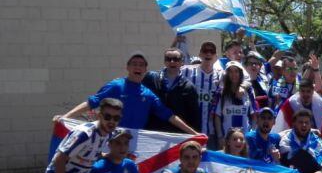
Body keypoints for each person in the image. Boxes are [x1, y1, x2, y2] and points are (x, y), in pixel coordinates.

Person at [57, 54, 197, 134]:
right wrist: (65, 117)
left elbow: (170, 116)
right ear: (128, 67)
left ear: (145, 70)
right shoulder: (116, 86)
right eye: (134, 64)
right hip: (111, 140)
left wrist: (194, 133)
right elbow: (91, 103)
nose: (138, 67)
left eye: (141, 65)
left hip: (135, 143)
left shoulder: (148, 94)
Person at [144, 47, 201, 131]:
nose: (172, 62)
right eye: (168, 59)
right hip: (153, 132)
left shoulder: (189, 87)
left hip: (177, 134)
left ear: (182, 62)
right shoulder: (151, 78)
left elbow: (194, 116)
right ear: (164, 62)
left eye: (176, 59)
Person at [182, 42, 226, 142]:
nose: (208, 54)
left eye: (212, 51)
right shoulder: (187, 71)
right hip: (191, 131)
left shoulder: (222, 75)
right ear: (200, 54)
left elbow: (243, 78)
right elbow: (169, 70)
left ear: (216, 56)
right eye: (205, 51)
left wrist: (244, 85)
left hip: (212, 132)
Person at [212, 62, 256, 147]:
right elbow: (217, 116)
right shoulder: (221, 93)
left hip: (244, 139)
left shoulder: (248, 92)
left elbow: (254, 115)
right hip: (227, 139)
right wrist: (220, 137)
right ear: (227, 74)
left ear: (240, 73)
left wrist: (251, 134)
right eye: (230, 72)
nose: (233, 74)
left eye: (236, 71)